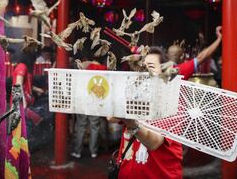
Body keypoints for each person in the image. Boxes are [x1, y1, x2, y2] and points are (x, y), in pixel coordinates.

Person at [108, 47, 183, 178]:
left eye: (151, 66)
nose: (145, 71)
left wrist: (130, 122)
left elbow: (154, 142)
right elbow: (111, 118)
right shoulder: (136, 97)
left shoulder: (173, 103)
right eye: (143, 67)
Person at [71, 61, 106, 159]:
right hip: (95, 103)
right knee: (95, 128)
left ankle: (77, 152)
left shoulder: (83, 72)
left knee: (81, 127)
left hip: (83, 102)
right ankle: (93, 152)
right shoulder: (100, 71)